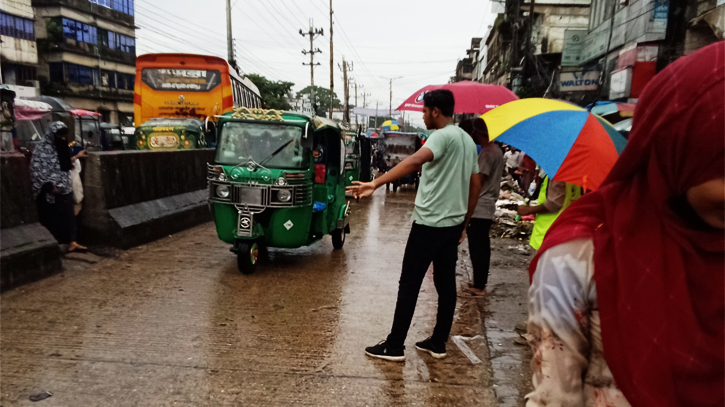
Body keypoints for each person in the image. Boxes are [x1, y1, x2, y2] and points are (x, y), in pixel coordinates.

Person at [525, 42, 724, 407]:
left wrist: (530, 208)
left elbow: (551, 203)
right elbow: (555, 397)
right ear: (675, 149)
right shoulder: (579, 258)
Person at [347, 90, 480, 361]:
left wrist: (376, 182)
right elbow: (475, 184)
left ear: (435, 111)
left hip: (429, 224)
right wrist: (465, 222)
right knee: (446, 286)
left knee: (409, 284)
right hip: (452, 225)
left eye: (425, 110)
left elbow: (415, 160)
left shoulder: (440, 136)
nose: (422, 115)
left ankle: (394, 346)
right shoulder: (466, 139)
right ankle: (438, 342)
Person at [459, 118, 503, 298]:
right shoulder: (496, 151)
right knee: (480, 247)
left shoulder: (487, 153)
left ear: (478, 133)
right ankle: (479, 282)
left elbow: (478, 182)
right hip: (487, 206)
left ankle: (479, 287)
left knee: (478, 248)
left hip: (480, 207)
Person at [30, 121, 87, 252]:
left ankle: (72, 241)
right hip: (50, 189)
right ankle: (54, 244)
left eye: (64, 136)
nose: (62, 138)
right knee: (52, 218)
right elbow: (37, 168)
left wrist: (77, 157)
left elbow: (65, 163)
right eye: (59, 135)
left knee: (69, 215)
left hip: (65, 186)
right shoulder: (42, 148)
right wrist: (49, 186)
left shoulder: (62, 146)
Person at [517, 176, 581, 250]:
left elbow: (554, 204)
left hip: (548, 232)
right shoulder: (575, 174)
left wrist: (530, 210)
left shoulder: (557, 175)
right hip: (566, 230)